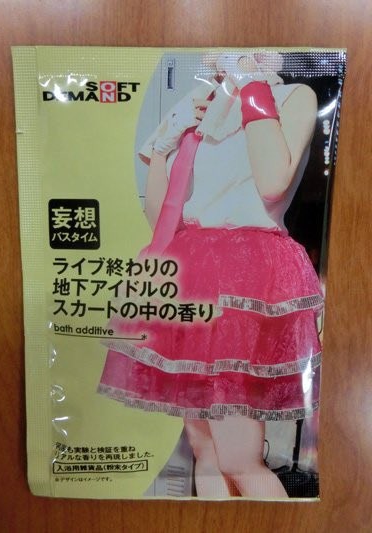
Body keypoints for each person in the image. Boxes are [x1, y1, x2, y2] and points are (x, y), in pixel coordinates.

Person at [98, 52, 323, 499]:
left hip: (246, 276)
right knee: (204, 449)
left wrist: (251, 85)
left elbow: (273, 183)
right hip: (191, 276)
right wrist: (163, 147)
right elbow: (161, 218)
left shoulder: (293, 95)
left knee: (240, 458)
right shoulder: (201, 104)